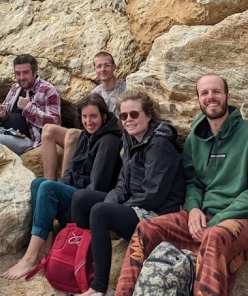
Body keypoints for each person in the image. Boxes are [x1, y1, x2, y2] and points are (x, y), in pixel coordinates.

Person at [114, 74, 248, 296]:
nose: (211, 97)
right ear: (198, 99)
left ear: (228, 96)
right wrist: (194, 208)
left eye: (216, 91)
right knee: (146, 228)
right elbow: (192, 181)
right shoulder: (194, 139)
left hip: (241, 220)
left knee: (214, 237)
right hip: (200, 216)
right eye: (204, 93)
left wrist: (216, 220)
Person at [70, 90, 185, 296]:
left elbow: (154, 194)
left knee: (100, 212)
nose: (128, 120)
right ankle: (81, 259)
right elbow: (123, 183)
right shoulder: (130, 139)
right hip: (137, 203)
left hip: (158, 212)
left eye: (134, 114)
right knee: (81, 198)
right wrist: (114, 203)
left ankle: (98, 287)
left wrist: (117, 209)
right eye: (123, 116)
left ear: (148, 116)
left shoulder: (159, 144)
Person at [1, 93, 123, 280]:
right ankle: (46, 246)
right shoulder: (86, 135)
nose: (88, 121)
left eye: (93, 116)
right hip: (77, 190)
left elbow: (97, 184)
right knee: (39, 183)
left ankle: (30, 257)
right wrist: (61, 185)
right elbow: (70, 171)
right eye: (85, 117)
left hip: (90, 200)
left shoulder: (109, 141)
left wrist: (60, 192)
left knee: (49, 188)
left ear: (103, 116)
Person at [41, 52, 126, 180]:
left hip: (111, 137)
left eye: (107, 65)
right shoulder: (96, 92)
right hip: (93, 133)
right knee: (48, 129)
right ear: (94, 70)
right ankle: (49, 181)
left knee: (72, 134)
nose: (103, 69)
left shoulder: (125, 88)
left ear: (114, 67)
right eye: (99, 66)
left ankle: (64, 183)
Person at [0, 54, 61, 155]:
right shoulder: (16, 87)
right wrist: (1, 113)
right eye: (18, 73)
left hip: (26, 139)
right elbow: (4, 110)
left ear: (34, 72)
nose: (21, 78)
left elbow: (55, 123)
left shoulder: (48, 91)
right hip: (5, 130)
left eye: (25, 73)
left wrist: (29, 108)